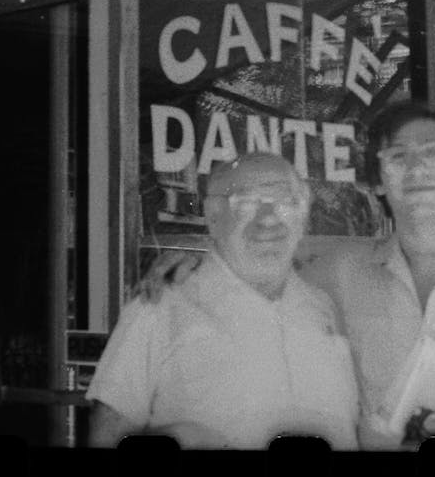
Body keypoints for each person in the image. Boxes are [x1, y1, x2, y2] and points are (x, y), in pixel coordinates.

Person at [144, 100, 435, 453]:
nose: (417, 168)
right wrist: (203, 257)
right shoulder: (341, 272)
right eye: (398, 157)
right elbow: (259, 257)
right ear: (378, 181)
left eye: (434, 155)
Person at [86, 152, 359, 449]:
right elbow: (108, 436)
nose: (267, 219)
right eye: (246, 202)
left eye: (284, 200)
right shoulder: (159, 305)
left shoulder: (325, 309)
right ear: (213, 218)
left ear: (303, 216)